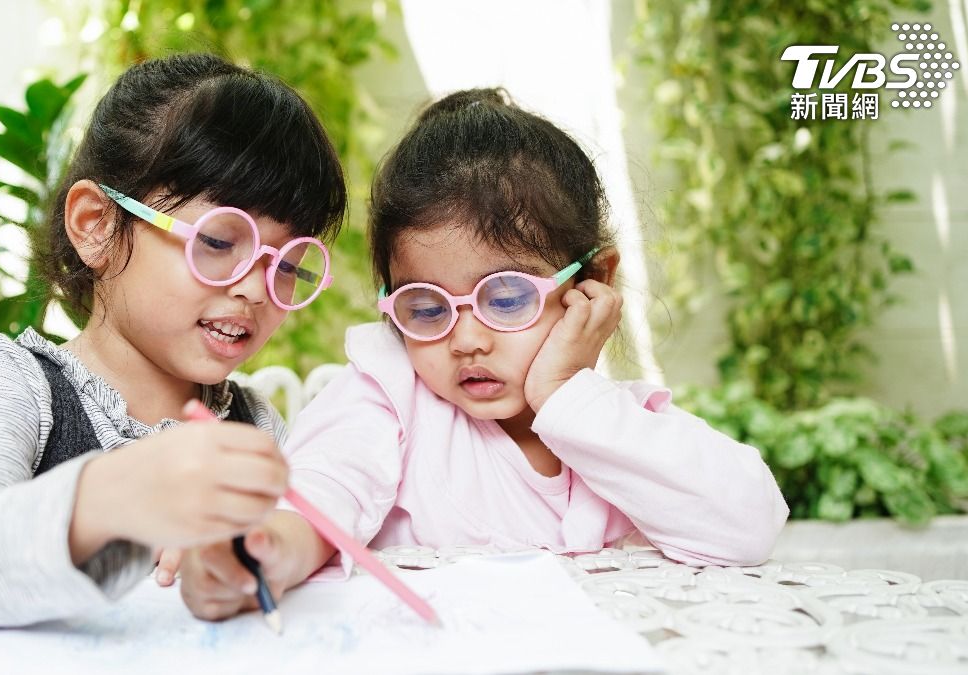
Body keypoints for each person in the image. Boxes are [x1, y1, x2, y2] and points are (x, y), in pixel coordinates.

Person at [169, 88, 790, 621]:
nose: (467, 339)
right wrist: (264, 546)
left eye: (508, 297)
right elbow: (325, 487)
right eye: (428, 308)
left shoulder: (613, 421)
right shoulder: (389, 397)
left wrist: (566, 391)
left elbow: (746, 524)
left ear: (592, 282)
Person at [0, 52, 346, 628]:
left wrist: (252, 561)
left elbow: (290, 563)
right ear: (97, 225)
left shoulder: (253, 423)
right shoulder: (19, 384)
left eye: (287, 264)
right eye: (216, 241)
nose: (258, 290)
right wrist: (109, 497)